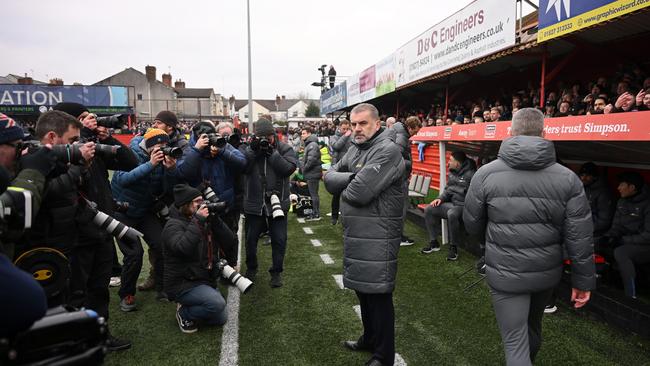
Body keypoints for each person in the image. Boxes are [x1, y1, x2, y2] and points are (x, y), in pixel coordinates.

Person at [463, 108, 595, 366]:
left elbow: (472, 224)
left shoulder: (485, 173)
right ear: (544, 133)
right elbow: (580, 236)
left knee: (515, 343)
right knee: (532, 329)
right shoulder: (569, 178)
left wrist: (491, 243)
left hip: (505, 271)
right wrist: (583, 281)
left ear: (510, 132)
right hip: (545, 272)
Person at [324, 103, 405, 366]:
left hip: (378, 237)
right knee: (363, 292)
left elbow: (359, 194)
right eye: (354, 124)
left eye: (363, 124)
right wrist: (354, 177)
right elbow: (328, 177)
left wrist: (348, 181)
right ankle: (369, 339)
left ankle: (383, 357)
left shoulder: (388, 150)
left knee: (379, 298)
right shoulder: (356, 148)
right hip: (357, 235)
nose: (357, 129)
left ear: (377, 124)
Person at [53, 102, 137, 351]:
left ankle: (100, 335)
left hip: (102, 228)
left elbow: (130, 162)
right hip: (76, 234)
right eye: (81, 118)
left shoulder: (93, 148)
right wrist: (83, 140)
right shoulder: (59, 151)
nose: (89, 121)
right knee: (76, 292)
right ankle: (76, 341)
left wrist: (106, 137)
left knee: (99, 289)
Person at [111, 129, 178, 311]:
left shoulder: (161, 160)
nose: (162, 150)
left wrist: (170, 170)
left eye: (165, 146)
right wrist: (150, 164)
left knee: (162, 245)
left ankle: (162, 287)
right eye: (158, 146)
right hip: (122, 211)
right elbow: (123, 179)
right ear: (148, 146)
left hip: (144, 211)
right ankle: (127, 294)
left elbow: (166, 189)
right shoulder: (129, 154)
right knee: (134, 254)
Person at [163, 184, 231, 333]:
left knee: (221, 318)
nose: (202, 204)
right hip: (181, 282)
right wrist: (198, 221)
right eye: (197, 201)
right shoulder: (172, 226)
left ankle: (196, 303)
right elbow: (183, 248)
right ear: (185, 205)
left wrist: (216, 219)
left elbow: (229, 239)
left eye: (202, 200)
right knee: (216, 304)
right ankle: (184, 313)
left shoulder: (200, 220)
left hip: (201, 277)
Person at [242, 119, 297, 288]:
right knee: (251, 240)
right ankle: (251, 268)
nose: (265, 140)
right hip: (254, 202)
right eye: (261, 137)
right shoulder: (249, 148)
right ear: (255, 136)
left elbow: (288, 169)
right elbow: (242, 167)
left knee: (279, 240)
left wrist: (272, 153)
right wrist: (253, 150)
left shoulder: (284, 148)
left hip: (278, 202)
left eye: (268, 137)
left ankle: (276, 272)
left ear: (274, 135)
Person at [138, 110, 188, 292]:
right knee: (156, 244)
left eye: (158, 123)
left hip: (173, 200)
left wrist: (172, 166)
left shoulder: (182, 144)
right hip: (154, 199)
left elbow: (184, 173)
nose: (154, 126)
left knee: (174, 241)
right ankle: (155, 275)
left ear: (170, 126)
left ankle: (175, 278)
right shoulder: (149, 140)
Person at [177, 121, 246, 236]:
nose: (208, 140)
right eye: (204, 137)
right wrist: (197, 150)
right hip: (201, 208)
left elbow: (242, 162)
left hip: (226, 207)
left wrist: (222, 151)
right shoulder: (190, 149)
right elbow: (183, 173)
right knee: (205, 247)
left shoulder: (222, 145)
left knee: (229, 242)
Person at [598, 172, 650, 299]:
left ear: (632, 187)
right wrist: (609, 237)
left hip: (645, 245)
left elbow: (648, 235)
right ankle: (594, 283)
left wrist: (623, 240)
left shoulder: (648, 204)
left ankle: (630, 295)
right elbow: (616, 226)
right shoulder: (622, 201)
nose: (618, 188)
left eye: (621, 185)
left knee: (621, 252)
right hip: (626, 240)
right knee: (596, 242)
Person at [421, 151, 475, 260]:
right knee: (429, 209)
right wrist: (439, 199)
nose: (448, 163)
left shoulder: (472, 174)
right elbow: (448, 191)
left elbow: (474, 196)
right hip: (452, 204)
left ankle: (453, 247)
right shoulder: (452, 172)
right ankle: (434, 243)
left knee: (452, 213)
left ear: (458, 163)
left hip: (464, 206)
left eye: (451, 160)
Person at [390, 116, 422, 247]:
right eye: (415, 131)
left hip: (397, 178)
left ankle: (394, 235)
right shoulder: (402, 138)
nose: (416, 133)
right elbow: (396, 159)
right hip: (400, 179)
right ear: (409, 127)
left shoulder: (398, 133)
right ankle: (399, 237)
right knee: (401, 209)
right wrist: (410, 164)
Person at [329, 119, 352, 225]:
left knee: (349, 194)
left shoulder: (352, 137)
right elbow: (336, 146)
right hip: (338, 169)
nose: (346, 130)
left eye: (347, 128)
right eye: (344, 129)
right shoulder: (333, 137)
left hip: (349, 168)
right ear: (339, 127)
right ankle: (334, 216)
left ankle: (347, 217)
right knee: (336, 194)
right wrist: (346, 136)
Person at [299, 126, 322, 221]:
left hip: (312, 173)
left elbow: (311, 160)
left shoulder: (312, 144)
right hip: (311, 173)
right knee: (313, 194)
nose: (302, 135)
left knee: (314, 194)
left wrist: (304, 169)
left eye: (304, 133)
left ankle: (316, 214)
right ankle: (315, 212)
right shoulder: (309, 144)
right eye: (302, 133)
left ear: (309, 134)